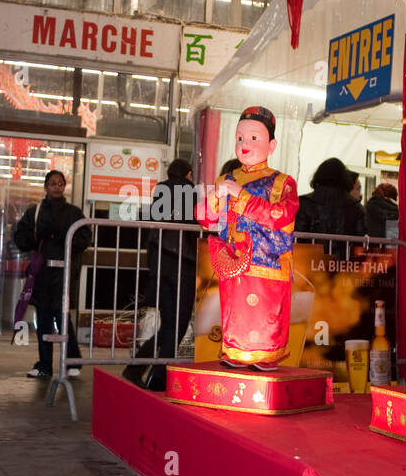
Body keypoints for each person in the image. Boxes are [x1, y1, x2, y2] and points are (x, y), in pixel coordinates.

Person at [196, 106, 300, 370]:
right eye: (240, 138)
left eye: (254, 138)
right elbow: (205, 218)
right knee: (235, 311)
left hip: (267, 260)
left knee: (265, 313)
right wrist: (216, 197)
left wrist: (240, 197)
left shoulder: (281, 182)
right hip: (234, 261)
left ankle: (266, 354)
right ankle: (234, 352)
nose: (244, 144)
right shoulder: (227, 178)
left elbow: (282, 215)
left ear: (272, 144)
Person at [124, 159, 197, 390]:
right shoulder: (188, 191)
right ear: (188, 174)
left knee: (168, 325)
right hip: (181, 266)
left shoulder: (159, 191)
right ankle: (158, 377)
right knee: (178, 324)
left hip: (161, 268)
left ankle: (138, 368)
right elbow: (195, 222)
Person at [14, 170, 90, 379]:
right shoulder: (35, 212)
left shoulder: (74, 212)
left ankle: (72, 360)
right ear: (46, 187)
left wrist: (63, 239)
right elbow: (20, 237)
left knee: (63, 316)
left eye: (60, 183)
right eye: (52, 183)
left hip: (64, 273)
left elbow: (84, 238)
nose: (57, 187)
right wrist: (35, 237)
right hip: (41, 273)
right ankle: (45, 365)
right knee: (44, 318)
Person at [295, 157, 365, 236]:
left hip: (309, 248)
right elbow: (360, 240)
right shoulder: (356, 207)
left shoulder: (304, 203)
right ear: (345, 178)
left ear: (319, 175)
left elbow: (297, 236)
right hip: (343, 248)